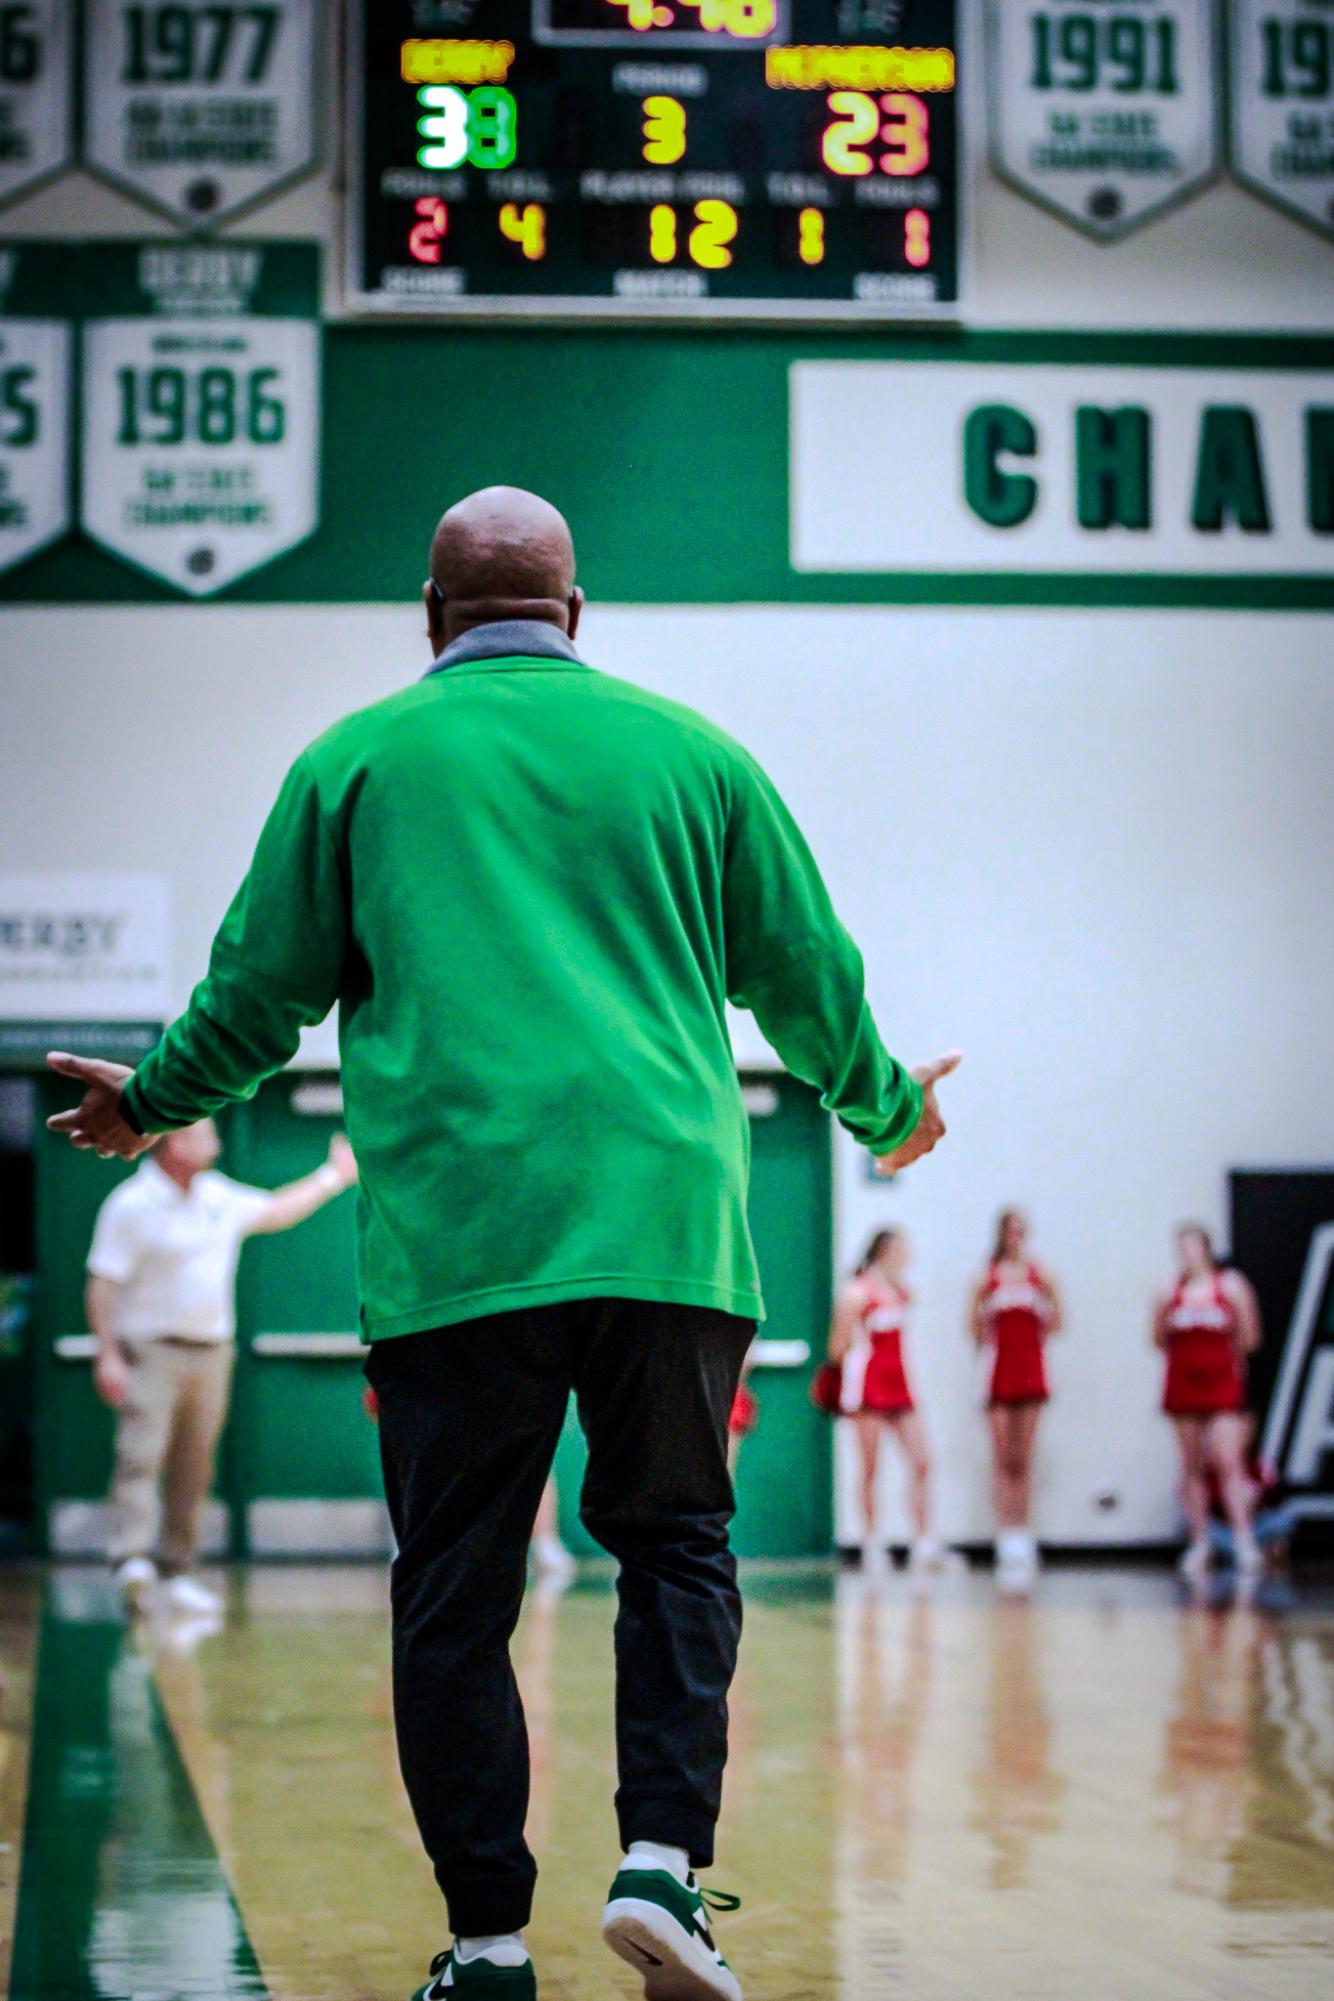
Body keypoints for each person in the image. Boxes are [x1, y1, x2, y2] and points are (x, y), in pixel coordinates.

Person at [45, 485, 958, 2001]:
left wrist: (151, 1102)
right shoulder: (693, 754)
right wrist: (880, 1112)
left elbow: (253, 998)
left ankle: (484, 1948)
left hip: (462, 1236)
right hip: (665, 1221)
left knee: (456, 1587)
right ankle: (661, 1866)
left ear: (429, 614)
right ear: (576, 616)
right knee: (675, 1542)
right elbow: (806, 974)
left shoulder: (352, 762)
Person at [85, 1119, 357, 1616]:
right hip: (150, 1347)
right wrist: (107, 1352)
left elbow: (275, 1210)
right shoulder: (132, 1203)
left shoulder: (217, 1195)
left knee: (196, 1463)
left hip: (212, 1350)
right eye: (203, 1130)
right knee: (141, 1454)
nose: (215, 1139)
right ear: (172, 1142)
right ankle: (132, 1561)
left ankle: (175, 1571)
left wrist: (333, 1177)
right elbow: (103, 1281)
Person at [826, 1229, 951, 1573]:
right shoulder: (856, 1293)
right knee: (870, 1466)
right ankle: (871, 1542)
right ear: (883, 1252)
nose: (907, 1257)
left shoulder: (902, 1292)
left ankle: (923, 1541)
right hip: (868, 1386)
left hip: (900, 1384)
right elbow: (836, 1348)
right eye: (901, 1250)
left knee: (923, 1461)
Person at [1153, 1224, 1262, 1580]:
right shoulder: (1168, 1290)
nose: (1187, 1254)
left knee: (1227, 1460)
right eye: (1181, 1247)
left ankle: (1244, 1539)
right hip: (1183, 1384)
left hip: (1221, 1384)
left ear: (1207, 1249)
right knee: (1191, 1464)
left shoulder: (1229, 1285)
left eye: (1193, 1247)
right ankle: (1200, 1541)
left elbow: (1249, 1337)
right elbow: (1157, 1337)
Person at [969, 1209, 1062, 1584]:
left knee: (1025, 1454)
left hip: (1031, 1367)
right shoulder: (986, 1278)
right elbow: (972, 1325)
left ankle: (1024, 1531)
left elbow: (1058, 1321)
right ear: (1001, 1234)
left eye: (1022, 1230)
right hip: (997, 1368)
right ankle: (1005, 1532)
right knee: (1002, 1454)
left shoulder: (1042, 1276)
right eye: (1011, 1230)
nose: (1016, 1237)